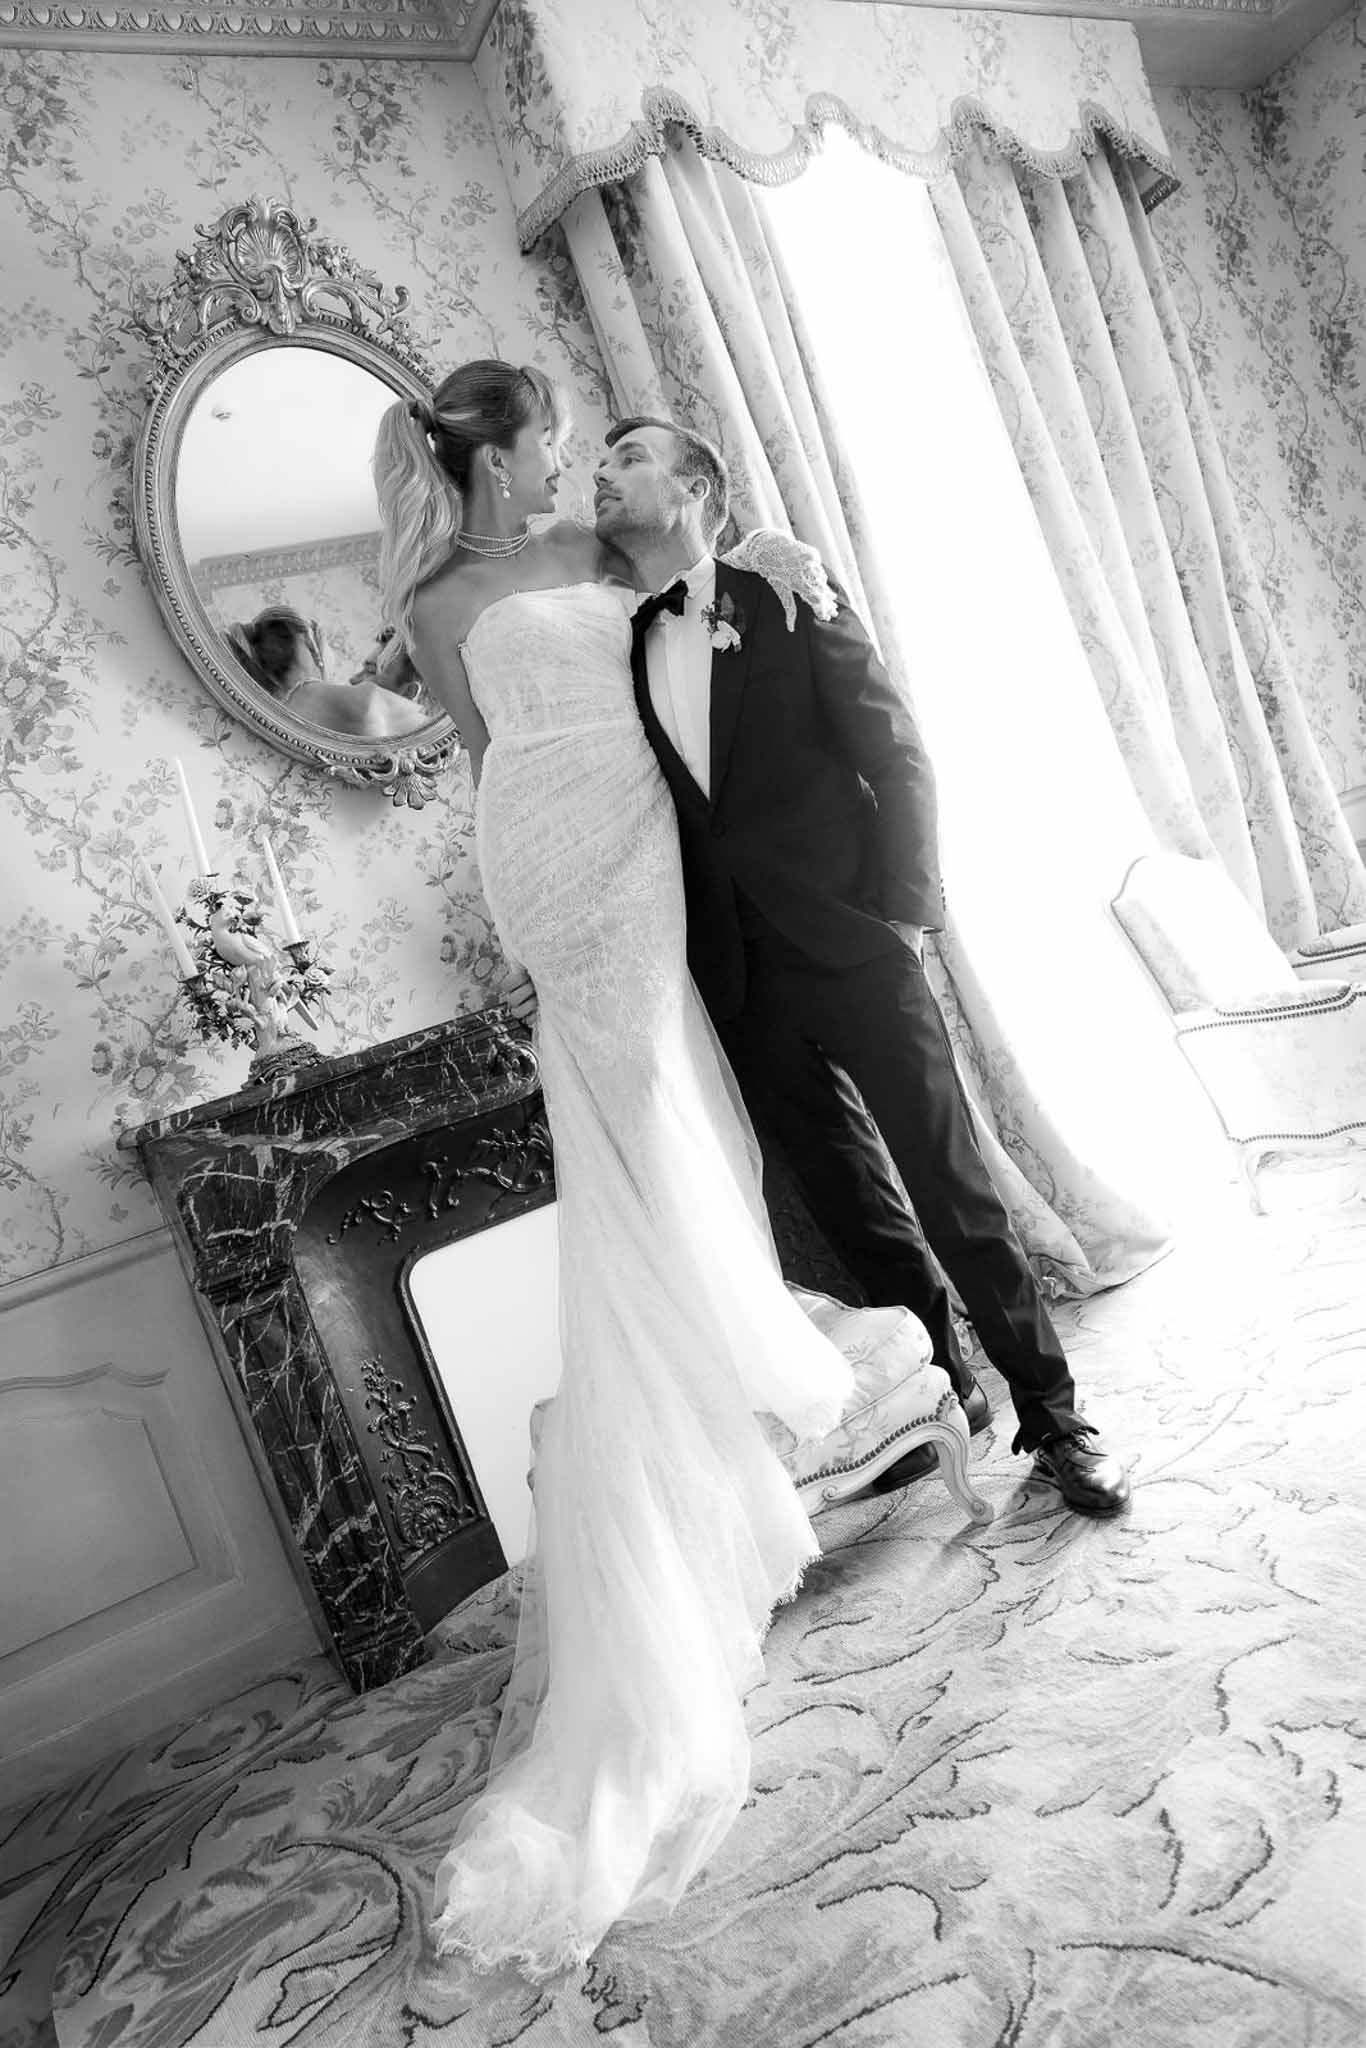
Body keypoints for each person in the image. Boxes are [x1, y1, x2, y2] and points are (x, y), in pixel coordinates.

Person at [372, 361, 882, 1978]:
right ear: (502, 451)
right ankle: (712, 1406)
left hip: (638, 827)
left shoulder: (593, 545)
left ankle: (734, 1388)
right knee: (641, 1122)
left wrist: (779, 558)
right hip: (551, 856)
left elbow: (692, 596)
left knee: (674, 1113)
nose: (571, 463)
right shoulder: (436, 600)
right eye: (551, 442)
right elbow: (485, 757)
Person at [592, 416, 1132, 1521]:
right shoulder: (625, 642)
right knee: (855, 1210)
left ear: (696, 487)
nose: (600, 476)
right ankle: (945, 1398)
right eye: (596, 463)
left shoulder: (785, 590)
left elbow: (896, 748)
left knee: (951, 1184)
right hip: (738, 977)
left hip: (856, 941)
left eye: (626, 459)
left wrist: (905, 914)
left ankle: (1056, 1415)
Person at [226, 605, 431, 740]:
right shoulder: (364, 705)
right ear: (310, 645)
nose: (352, 680)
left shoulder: (262, 725)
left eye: (370, 671)